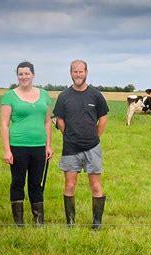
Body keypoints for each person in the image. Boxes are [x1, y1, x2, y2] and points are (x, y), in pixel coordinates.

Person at [53, 60, 109, 229]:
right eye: (75, 72)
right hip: (70, 148)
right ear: (70, 73)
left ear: (86, 72)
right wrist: (68, 135)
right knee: (69, 185)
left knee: (96, 185)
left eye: (81, 71)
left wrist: (95, 137)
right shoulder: (64, 96)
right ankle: (70, 222)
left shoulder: (96, 95)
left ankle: (97, 223)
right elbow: (60, 120)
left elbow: (103, 118)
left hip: (92, 147)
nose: (78, 74)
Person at [0, 61, 53, 227]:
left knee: (36, 183)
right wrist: (7, 150)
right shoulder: (9, 96)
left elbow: (47, 123)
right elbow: (4, 123)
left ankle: (38, 221)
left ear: (33, 75)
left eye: (27, 73)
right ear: (17, 76)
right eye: (20, 74)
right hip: (18, 146)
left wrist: (48, 145)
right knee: (18, 182)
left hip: (38, 146)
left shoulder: (44, 95)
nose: (24, 77)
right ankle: (19, 222)